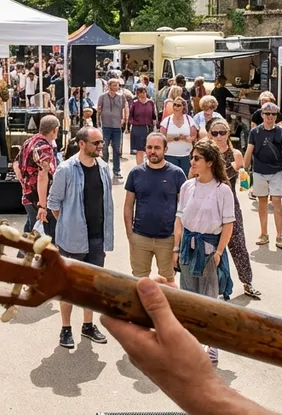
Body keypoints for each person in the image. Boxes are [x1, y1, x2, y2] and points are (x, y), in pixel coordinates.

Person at [46, 126, 113, 348]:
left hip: (96, 238)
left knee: (92, 287)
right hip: (72, 240)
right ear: (82, 144)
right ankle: (66, 329)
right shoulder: (65, 169)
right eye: (96, 143)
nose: (101, 146)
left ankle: (88, 325)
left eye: (101, 142)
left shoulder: (103, 167)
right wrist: (68, 224)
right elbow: (54, 204)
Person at [174, 139, 235, 365]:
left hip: (209, 250)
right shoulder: (187, 186)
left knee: (209, 301)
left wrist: (219, 251)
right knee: (188, 297)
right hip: (187, 248)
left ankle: (212, 346)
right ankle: (189, 343)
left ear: (209, 162)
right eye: (192, 157)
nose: (192, 161)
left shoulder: (222, 190)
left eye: (197, 158)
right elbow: (179, 219)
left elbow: (228, 224)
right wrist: (175, 248)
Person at [208, 118, 260, 299]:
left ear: (228, 134)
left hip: (229, 203)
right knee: (209, 245)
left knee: (238, 243)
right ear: (210, 134)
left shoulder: (236, 153)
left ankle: (247, 282)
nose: (219, 136)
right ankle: (212, 286)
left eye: (222, 132)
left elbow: (244, 180)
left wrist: (242, 172)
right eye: (215, 133)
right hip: (208, 204)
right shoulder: (206, 153)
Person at [124, 132, 185, 285]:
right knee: (139, 282)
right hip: (140, 237)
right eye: (149, 147)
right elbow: (128, 205)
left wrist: (178, 240)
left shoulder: (177, 174)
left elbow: (184, 209)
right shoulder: (136, 173)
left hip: (167, 239)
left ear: (165, 149)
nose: (152, 151)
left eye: (157, 148)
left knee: (168, 281)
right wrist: (130, 234)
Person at [243, 102, 282, 248]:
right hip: (259, 170)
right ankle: (264, 234)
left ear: (276, 116)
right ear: (262, 115)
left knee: (277, 201)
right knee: (262, 202)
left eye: (273, 114)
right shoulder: (255, 132)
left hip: (276, 170)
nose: (270, 117)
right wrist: (244, 168)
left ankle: (279, 235)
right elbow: (249, 149)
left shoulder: (281, 132)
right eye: (267, 114)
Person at [17, 115, 60, 236]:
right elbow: (42, 176)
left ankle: (23, 254)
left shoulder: (29, 141)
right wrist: (42, 206)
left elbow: (16, 163)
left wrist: (23, 182)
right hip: (39, 199)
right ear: (55, 130)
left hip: (28, 196)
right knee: (45, 236)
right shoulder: (44, 147)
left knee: (31, 231)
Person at [96, 78, 128, 180]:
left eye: (117, 85)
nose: (115, 87)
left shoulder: (121, 97)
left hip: (117, 127)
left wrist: (124, 119)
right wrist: (98, 122)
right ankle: (104, 169)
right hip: (105, 126)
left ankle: (117, 170)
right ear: (109, 86)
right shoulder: (102, 97)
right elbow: (99, 110)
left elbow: (124, 108)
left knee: (116, 149)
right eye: (113, 85)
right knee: (104, 149)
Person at [158, 97, 197, 174]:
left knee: (185, 176)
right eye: (174, 105)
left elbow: (194, 136)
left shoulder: (189, 120)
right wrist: (174, 138)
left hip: (185, 155)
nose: (176, 107)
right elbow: (161, 137)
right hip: (169, 155)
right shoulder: (167, 120)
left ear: (183, 107)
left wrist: (186, 139)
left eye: (178, 105)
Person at [128, 85, 159, 168]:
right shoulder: (134, 104)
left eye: (144, 92)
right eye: (140, 93)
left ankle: (150, 166)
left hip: (149, 128)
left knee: (149, 148)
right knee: (140, 150)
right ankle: (140, 167)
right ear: (137, 94)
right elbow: (130, 117)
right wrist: (132, 124)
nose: (142, 94)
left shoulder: (151, 103)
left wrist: (155, 125)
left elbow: (154, 116)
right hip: (137, 128)